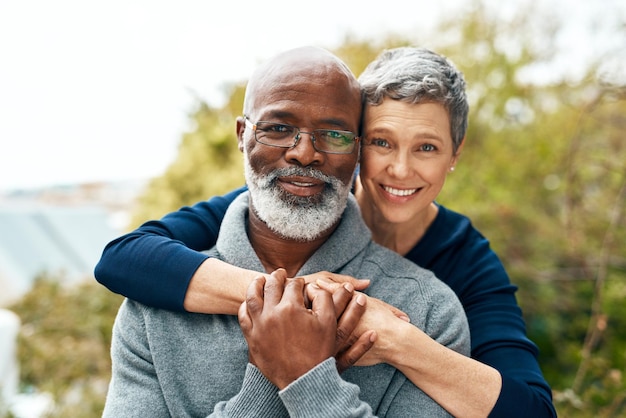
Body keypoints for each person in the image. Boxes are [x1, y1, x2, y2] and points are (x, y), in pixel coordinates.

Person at [96, 47, 556, 417]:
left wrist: (393, 344)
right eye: (382, 142)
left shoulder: (441, 299)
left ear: (455, 154)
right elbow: (124, 256)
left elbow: (531, 409)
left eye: (427, 147)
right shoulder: (155, 303)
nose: (303, 153)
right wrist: (292, 303)